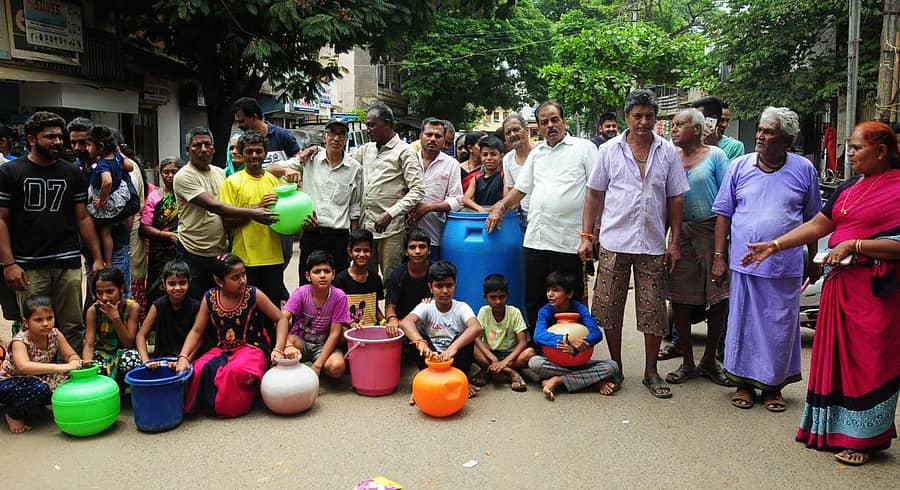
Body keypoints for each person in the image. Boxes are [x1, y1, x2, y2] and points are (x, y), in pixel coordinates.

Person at [743, 121, 900, 465]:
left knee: (870, 363)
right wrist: (775, 245)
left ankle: (863, 439)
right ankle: (832, 431)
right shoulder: (850, 186)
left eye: (857, 147)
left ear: (881, 151)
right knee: (838, 362)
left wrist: (855, 245)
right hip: (840, 287)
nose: (850, 153)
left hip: (876, 293)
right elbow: (819, 224)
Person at [579, 89, 690, 399]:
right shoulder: (608, 151)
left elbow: (676, 198)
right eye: (637, 116)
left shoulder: (667, 152)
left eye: (649, 116)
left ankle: (651, 371)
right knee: (609, 308)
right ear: (626, 117)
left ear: (656, 118)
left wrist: (674, 242)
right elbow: (594, 194)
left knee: (653, 310)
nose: (643, 122)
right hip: (614, 242)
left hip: (653, 244)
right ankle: (615, 367)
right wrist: (587, 237)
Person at [711, 106, 821, 412]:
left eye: (768, 131)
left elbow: (814, 220)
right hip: (744, 264)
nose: (760, 135)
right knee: (742, 324)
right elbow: (723, 214)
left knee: (779, 327)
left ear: (786, 139)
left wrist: (814, 258)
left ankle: (773, 386)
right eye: (760, 129)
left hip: (785, 266)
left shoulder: (804, 170)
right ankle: (744, 384)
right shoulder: (739, 166)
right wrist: (719, 257)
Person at [487, 101, 598, 333]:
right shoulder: (536, 154)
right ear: (537, 127)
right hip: (536, 238)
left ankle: (570, 344)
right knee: (535, 297)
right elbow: (521, 189)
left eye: (554, 120)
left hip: (569, 240)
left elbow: (596, 192)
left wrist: (590, 235)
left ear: (563, 121)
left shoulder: (584, 148)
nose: (550, 125)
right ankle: (539, 345)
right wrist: (500, 206)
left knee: (569, 298)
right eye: (544, 122)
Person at [0, 112, 104, 352]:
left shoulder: (72, 173)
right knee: (35, 328)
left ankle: (72, 369)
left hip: (67, 262)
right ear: (31, 139)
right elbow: (1, 220)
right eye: (50, 137)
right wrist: (9, 264)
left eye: (59, 136)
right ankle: (37, 372)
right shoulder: (10, 172)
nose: (57, 141)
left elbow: (83, 217)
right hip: (28, 265)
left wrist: (98, 257)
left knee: (72, 326)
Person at [661, 109, 732, 386]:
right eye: (673, 124)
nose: (674, 129)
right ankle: (688, 361)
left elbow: (727, 200)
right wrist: (669, 241)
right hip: (681, 234)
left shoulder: (716, 156)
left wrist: (720, 252)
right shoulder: (671, 157)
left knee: (718, 296)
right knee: (679, 299)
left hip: (712, 233)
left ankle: (710, 360)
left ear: (698, 129)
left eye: (680, 124)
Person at [175, 253, 287, 418]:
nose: (242, 280)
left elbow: (281, 319)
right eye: (235, 277)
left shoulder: (253, 294)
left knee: (234, 371)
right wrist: (183, 357)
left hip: (252, 349)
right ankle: (214, 404)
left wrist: (278, 349)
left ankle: (228, 405)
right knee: (197, 370)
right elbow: (196, 331)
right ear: (219, 281)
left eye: (243, 275)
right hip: (222, 350)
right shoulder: (210, 298)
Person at [173, 126, 276, 300]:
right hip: (194, 251)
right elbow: (215, 206)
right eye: (197, 145)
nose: (203, 149)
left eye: (207, 144)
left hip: (220, 250)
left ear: (214, 148)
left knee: (221, 302)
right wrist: (254, 211)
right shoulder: (184, 176)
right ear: (187, 150)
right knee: (197, 302)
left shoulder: (219, 172)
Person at [397, 260, 483, 401]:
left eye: (449, 285)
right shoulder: (426, 306)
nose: (445, 291)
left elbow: (476, 327)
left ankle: (461, 380)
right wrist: (420, 342)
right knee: (414, 337)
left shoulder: (462, 307)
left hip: (454, 360)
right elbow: (406, 322)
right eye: (439, 286)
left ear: (455, 285)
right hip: (431, 359)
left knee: (467, 336)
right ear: (430, 287)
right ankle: (423, 383)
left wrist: (453, 348)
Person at [528, 272, 620, 401]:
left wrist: (580, 345)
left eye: (555, 290)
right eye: (548, 290)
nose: (550, 294)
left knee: (612, 366)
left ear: (569, 294)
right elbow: (538, 336)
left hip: (579, 361)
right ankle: (593, 381)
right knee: (534, 363)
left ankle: (557, 380)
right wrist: (568, 340)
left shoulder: (580, 309)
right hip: (554, 362)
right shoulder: (545, 311)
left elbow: (596, 334)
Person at [219, 131, 285, 304]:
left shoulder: (276, 181)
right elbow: (226, 222)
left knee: (272, 310)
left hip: (273, 258)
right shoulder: (232, 182)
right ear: (242, 153)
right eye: (249, 151)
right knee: (245, 309)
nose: (254, 155)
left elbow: (287, 216)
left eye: (258, 151)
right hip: (243, 260)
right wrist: (256, 210)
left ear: (265, 153)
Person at [0, 295, 83, 433]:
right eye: (38, 320)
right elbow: (24, 367)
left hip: (39, 378)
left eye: (49, 318)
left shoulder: (55, 334)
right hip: (10, 383)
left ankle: (35, 406)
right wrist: (59, 367)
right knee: (40, 389)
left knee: (72, 379)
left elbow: (71, 355)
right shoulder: (20, 341)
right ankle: (12, 414)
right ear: (26, 322)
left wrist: (75, 363)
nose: (45, 323)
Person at [298, 118, 363, 283]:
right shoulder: (309, 160)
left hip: (339, 239)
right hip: (312, 234)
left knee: (338, 287)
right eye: (332, 133)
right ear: (324, 136)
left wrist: (352, 243)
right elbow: (274, 168)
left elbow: (355, 207)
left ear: (346, 139)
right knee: (307, 286)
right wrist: (286, 171)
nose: (336, 138)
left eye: (341, 134)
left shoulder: (354, 168)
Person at [281, 251, 349, 379]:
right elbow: (282, 318)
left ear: (333, 274)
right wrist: (287, 346)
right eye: (317, 272)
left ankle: (313, 366)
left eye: (327, 271)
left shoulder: (339, 296)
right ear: (308, 276)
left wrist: (317, 366)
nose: (322, 275)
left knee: (337, 367)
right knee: (282, 353)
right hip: (299, 341)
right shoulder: (301, 292)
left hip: (324, 344)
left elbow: (334, 334)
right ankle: (303, 364)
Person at [406, 118, 463, 261]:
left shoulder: (452, 164)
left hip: (433, 235)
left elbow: (457, 200)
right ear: (420, 136)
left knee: (432, 272)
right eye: (429, 134)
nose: (432, 139)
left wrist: (428, 208)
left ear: (444, 140)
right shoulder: (407, 159)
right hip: (403, 232)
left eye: (438, 136)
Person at [472, 274, 534, 392]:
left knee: (530, 353)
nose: (498, 301)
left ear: (507, 296)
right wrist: (493, 358)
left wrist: (505, 362)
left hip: (510, 355)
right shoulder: (484, 311)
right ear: (485, 297)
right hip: (490, 354)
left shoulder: (514, 312)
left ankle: (489, 370)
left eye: (502, 297)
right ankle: (511, 373)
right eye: (493, 297)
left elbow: (523, 342)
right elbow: (477, 338)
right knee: (471, 347)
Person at [85, 125, 135, 269]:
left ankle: (108, 262)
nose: (87, 148)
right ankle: (108, 261)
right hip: (120, 195)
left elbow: (107, 181)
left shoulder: (103, 164)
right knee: (107, 232)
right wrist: (118, 153)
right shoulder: (117, 157)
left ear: (100, 146)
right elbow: (130, 167)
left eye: (89, 145)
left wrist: (102, 200)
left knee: (105, 233)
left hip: (107, 201)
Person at [135, 260, 203, 365]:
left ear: (189, 282)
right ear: (164, 284)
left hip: (188, 360)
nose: (177, 288)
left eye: (182, 283)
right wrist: (146, 361)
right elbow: (141, 335)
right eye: (172, 283)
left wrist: (185, 360)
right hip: (161, 360)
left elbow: (199, 339)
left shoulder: (196, 307)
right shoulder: (158, 305)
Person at [83, 267, 141, 384]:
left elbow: (128, 343)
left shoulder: (132, 308)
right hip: (103, 354)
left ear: (121, 289)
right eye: (99, 293)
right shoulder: (93, 311)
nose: (104, 297)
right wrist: (88, 366)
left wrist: (116, 318)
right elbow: (89, 344)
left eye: (109, 292)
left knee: (132, 360)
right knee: (95, 368)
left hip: (125, 353)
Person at [141, 157, 182, 304]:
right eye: (166, 172)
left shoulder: (186, 195)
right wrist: (167, 235)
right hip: (159, 252)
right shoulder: (154, 196)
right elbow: (144, 227)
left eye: (174, 172)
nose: (170, 176)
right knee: (157, 288)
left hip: (183, 249)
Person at [231, 97, 301, 179]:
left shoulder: (281, 135)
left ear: (254, 116)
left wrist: (280, 168)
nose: (239, 126)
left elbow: (300, 160)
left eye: (242, 121)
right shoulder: (242, 139)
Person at [384, 228, 433, 336]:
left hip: (431, 323)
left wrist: (434, 301)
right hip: (403, 323)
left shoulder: (436, 272)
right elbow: (390, 305)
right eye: (412, 247)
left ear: (429, 250)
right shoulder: (398, 274)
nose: (417, 251)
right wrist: (392, 319)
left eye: (422, 247)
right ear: (406, 252)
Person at [334, 230, 385, 328]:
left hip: (372, 329)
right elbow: (338, 310)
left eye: (366, 250)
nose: (362, 254)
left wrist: (384, 321)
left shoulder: (375, 279)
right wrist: (351, 324)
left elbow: (374, 308)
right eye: (357, 250)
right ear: (350, 252)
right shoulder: (341, 280)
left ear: (372, 252)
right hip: (349, 331)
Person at [501, 113, 535, 225]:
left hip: (548, 214)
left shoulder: (541, 151)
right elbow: (512, 192)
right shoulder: (507, 159)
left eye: (516, 130)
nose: (512, 134)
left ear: (526, 131)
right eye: (508, 132)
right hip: (526, 215)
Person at [692, 96, 745, 161]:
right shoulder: (688, 144)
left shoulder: (735, 147)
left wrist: (714, 146)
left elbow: (729, 168)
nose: (725, 125)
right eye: (721, 120)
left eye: (727, 121)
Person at [463, 135, 505, 212]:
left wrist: (493, 209)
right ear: (480, 156)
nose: (488, 158)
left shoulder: (504, 177)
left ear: (501, 156)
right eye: (485, 154)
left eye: (493, 154)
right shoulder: (476, 178)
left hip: (499, 214)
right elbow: (466, 199)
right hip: (479, 215)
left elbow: (506, 199)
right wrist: (480, 209)